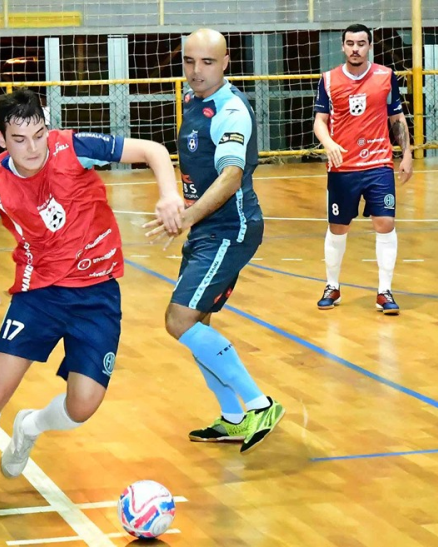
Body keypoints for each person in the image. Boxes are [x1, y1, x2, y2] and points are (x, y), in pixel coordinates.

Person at [0, 88, 185, 509]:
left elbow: (152, 150)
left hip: (97, 294)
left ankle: (31, 426)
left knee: (83, 406)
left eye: (39, 135)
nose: (32, 148)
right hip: (38, 294)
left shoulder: (74, 147)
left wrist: (169, 194)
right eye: (19, 139)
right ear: (1, 139)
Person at [143, 28, 284, 453]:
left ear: (225, 63)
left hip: (229, 229)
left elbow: (231, 176)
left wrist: (186, 216)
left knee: (179, 320)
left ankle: (260, 405)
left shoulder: (231, 110)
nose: (196, 70)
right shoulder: (193, 100)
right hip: (208, 229)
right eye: (189, 61)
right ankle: (233, 418)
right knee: (197, 325)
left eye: (207, 62)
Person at [313, 24, 413, 315]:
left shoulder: (385, 76)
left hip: (378, 165)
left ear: (369, 46)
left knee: (385, 223)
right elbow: (320, 121)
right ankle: (332, 286)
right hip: (342, 167)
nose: (355, 48)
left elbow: (397, 118)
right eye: (350, 43)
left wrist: (407, 153)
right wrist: (328, 142)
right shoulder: (328, 79)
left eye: (361, 43)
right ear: (342, 46)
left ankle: (384, 291)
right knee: (338, 227)